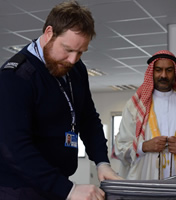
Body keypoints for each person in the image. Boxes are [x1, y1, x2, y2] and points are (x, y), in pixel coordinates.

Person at [0, 1, 122, 200]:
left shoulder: (76, 69)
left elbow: (88, 119)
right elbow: (14, 147)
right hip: (20, 189)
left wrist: (102, 162)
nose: (73, 60)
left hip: (57, 184)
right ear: (49, 33)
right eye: (67, 49)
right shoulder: (16, 76)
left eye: (80, 52)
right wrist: (70, 190)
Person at [114, 50, 176, 180]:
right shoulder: (135, 107)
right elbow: (120, 147)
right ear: (152, 72)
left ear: (175, 73)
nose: (163, 75)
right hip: (146, 182)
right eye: (158, 70)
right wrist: (143, 146)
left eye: (169, 70)